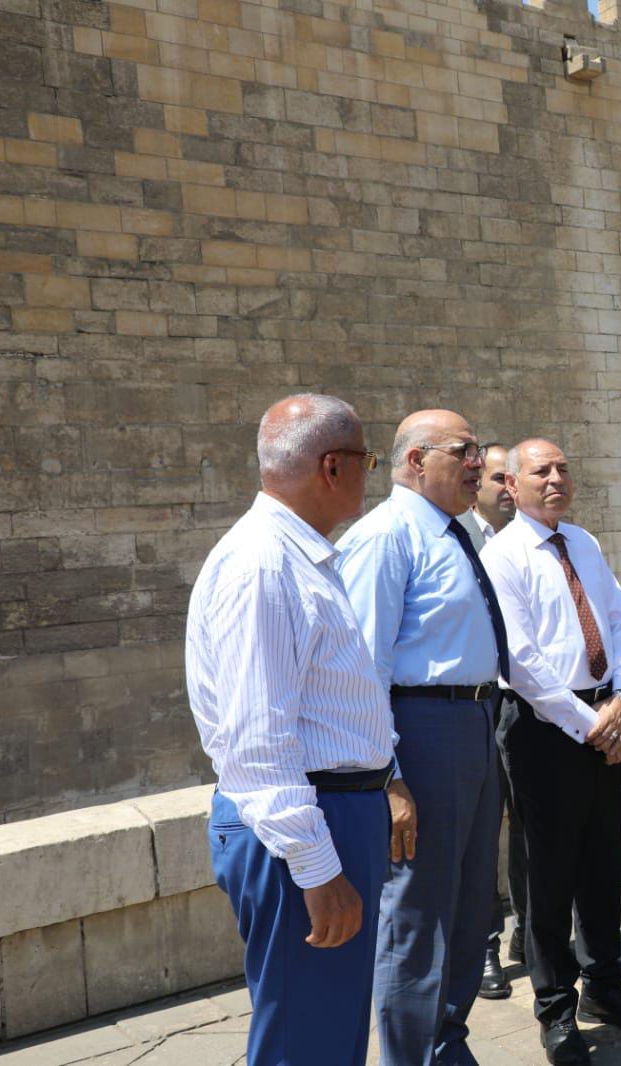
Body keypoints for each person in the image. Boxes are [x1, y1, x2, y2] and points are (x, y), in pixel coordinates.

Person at [185, 393, 416, 1066]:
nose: (370, 475)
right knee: (307, 1042)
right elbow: (258, 742)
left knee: (329, 1033)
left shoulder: (296, 557)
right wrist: (317, 868)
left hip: (332, 814)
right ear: (332, 467)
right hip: (306, 823)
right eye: (367, 461)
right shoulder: (264, 565)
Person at [482, 439, 621, 1065]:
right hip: (543, 729)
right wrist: (594, 726)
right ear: (513, 485)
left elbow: (620, 626)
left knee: (602, 864)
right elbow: (521, 662)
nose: (556, 478)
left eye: (564, 468)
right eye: (542, 471)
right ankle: (556, 1009)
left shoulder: (583, 543)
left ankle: (605, 988)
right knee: (549, 875)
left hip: (602, 715)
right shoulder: (502, 555)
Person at [336, 409, 507, 1065]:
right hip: (423, 731)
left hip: (474, 724)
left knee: (468, 903)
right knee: (418, 911)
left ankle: (446, 1043)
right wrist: (388, 777)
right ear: (415, 460)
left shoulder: (455, 533)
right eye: (464, 451)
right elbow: (363, 669)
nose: (477, 463)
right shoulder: (386, 538)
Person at [456, 444, 527, 1001]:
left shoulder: (537, 539)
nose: (507, 487)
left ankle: (531, 926)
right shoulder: (458, 540)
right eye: (497, 477)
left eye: (511, 477)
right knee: (482, 830)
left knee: (529, 822)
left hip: (531, 704)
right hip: (482, 704)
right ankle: (483, 945)